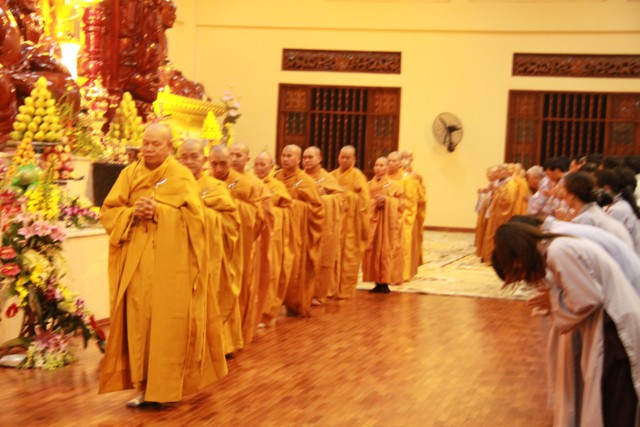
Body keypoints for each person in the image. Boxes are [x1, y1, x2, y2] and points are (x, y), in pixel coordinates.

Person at [99, 124, 227, 406]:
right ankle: (143, 385)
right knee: (139, 322)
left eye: (156, 144)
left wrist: (160, 212)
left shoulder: (181, 176)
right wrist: (132, 212)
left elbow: (197, 220)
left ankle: (166, 386)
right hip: (135, 261)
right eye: (145, 142)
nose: (148, 148)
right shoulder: (129, 174)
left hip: (172, 264)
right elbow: (109, 211)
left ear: (169, 147)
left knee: (166, 324)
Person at [492, 222, 640, 427]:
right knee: (609, 399)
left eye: (515, 266)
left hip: (615, 328)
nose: (520, 272)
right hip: (609, 323)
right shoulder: (555, 247)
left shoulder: (558, 250)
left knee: (615, 403)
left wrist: (552, 301)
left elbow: (588, 299)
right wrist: (553, 300)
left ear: (516, 252)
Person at [178, 138, 243, 357]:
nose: (189, 161)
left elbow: (231, 222)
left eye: (194, 156)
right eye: (184, 157)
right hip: (182, 254)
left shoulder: (216, 187)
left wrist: (197, 213)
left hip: (211, 254)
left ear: (204, 159)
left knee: (213, 296)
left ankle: (219, 344)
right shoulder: (173, 184)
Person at [210, 143, 263, 346]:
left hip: (237, 244)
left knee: (233, 287)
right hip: (211, 245)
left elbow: (257, 216)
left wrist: (230, 207)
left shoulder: (244, 184)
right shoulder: (204, 182)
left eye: (223, 163)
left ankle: (231, 338)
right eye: (214, 164)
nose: (219, 169)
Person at [229, 142, 273, 342]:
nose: (234, 158)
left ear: (247, 159)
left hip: (247, 242)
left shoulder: (256, 184)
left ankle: (240, 328)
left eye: (239, 155)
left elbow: (264, 216)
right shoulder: (217, 179)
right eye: (231, 154)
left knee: (243, 285)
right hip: (221, 242)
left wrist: (233, 207)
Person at [274, 144, 324, 316]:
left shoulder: (306, 181)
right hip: (278, 232)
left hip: (298, 235)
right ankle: (272, 305)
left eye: (289, 156)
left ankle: (294, 303)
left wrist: (296, 207)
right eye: (283, 155)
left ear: (298, 159)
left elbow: (317, 209)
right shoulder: (276, 178)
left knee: (294, 268)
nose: (285, 159)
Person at [252, 151, 294, 327]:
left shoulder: (277, 185)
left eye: (263, 164)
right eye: (257, 164)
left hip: (272, 236)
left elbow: (287, 209)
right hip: (252, 237)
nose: (260, 168)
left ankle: (265, 313)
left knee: (269, 272)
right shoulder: (249, 182)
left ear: (271, 166)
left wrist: (268, 211)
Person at [303, 146, 344, 303]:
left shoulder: (327, 178)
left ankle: (317, 293)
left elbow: (339, 198)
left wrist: (324, 198)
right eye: (304, 157)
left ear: (319, 159)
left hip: (321, 225)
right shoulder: (300, 177)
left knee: (320, 258)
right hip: (302, 224)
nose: (307, 160)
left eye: (310, 157)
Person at [330, 145, 371, 297]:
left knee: (349, 257)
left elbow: (365, 201)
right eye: (342, 157)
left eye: (348, 157)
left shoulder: (358, 176)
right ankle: (331, 288)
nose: (344, 160)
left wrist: (347, 196)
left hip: (351, 225)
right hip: (335, 222)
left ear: (354, 159)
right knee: (332, 255)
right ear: (338, 158)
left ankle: (345, 290)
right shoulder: (332, 175)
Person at [559, 171, 634, 248]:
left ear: (571, 195)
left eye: (563, 190)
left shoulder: (585, 219)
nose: (561, 194)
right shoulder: (593, 209)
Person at [362, 157, 404, 293]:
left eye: (382, 165)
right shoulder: (368, 185)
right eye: (376, 165)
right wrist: (374, 203)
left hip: (387, 225)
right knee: (372, 250)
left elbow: (402, 205)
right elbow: (363, 204)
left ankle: (385, 281)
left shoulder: (395, 186)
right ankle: (376, 281)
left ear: (387, 168)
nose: (378, 168)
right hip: (373, 223)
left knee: (386, 251)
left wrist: (387, 200)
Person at [386, 151, 417, 281]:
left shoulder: (406, 179)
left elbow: (410, 201)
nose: (390, 163)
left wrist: (395, 205)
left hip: (401, 216)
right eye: (389, 161)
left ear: (399, 163)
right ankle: (384, 273)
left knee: (402, 243)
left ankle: (401, 274)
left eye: (394, 161)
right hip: (385, 216)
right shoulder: (384, 177)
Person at [594, 168, 640, 254]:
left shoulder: (618, 209)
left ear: (606, 189)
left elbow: (606, 240)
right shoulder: (615, 204)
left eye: (594, 188)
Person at [480, 163, 517, 264]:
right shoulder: (502, 183)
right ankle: (489, 257)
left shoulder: (510, 184)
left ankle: (496, 259)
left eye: (499, 171)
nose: (498, 174)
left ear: (505, 172)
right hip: (494, 214)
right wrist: (494, 191)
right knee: (491, 236)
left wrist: (497, 191)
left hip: (501, 215)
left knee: (496, 237)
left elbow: (508, 200)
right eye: (497, 171)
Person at [401, 150, 427, 269]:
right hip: (399, 210)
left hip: (412, 211)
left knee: (411, 237)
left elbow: (422, 194)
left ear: (411, 160)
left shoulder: (417, 176)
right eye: (403, 157)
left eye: (408, 158)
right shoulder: (395, 174)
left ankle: (412, 261)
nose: (405, 160)